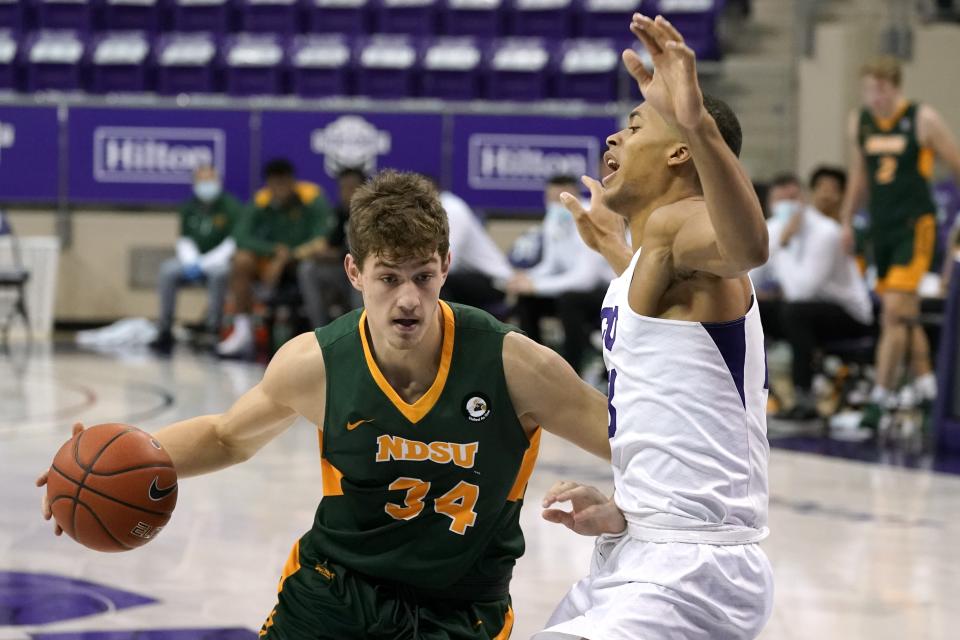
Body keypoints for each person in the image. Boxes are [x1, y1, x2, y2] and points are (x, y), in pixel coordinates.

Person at [38, 171, 610, 638]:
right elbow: (226, 437)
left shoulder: (515, 365)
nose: (408, 298)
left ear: (445, 267)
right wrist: (100, 468)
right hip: (335, 589)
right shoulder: (317, 362)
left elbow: (633, 445)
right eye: (388, 277)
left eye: (423, 276)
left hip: (460, 609)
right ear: (354, 272)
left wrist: (619, 508)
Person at [533, 14, 773, 639]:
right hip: (639, 550)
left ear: (679, 153)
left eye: (636, 125)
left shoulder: (684, 228)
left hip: (691, 570)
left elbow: (747, 246)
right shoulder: (649, 263)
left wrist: (699, 124)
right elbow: (668, 375)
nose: (615, 134)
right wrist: (625, 511)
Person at [837, 56, 960, 428]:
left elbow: (957, 163)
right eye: (868, 90)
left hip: (914, 225)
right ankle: (927, 388)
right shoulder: (859, 121)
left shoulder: (922, 118)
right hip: (882, 226)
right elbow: (859, 174)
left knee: (892, 314)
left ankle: (878, 401)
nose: (874, 96)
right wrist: (846, 219)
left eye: (880, 89)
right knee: (903, 314)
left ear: (895, 86)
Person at [765, 170, 875, 420]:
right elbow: (750, 277)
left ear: (803, 198)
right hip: (811, 310)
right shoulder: (774, 228)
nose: (786, 205)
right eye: (780, 200)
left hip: (851, 315)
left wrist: (781, 246)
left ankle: (805, 399)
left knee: (794, 313)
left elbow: (802, 291)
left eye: (792, 197)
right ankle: (763, 393)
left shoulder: (826, 232)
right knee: (752, 309)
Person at [218, 159, 334, 357]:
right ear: (268, 184)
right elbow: (240, 237)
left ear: (293, 181)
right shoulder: (261, 200)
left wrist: (287, 257)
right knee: (240, 260)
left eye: (284, 183)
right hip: (269, 265)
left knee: (312, 265)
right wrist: (273, 251)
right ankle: (243, 328)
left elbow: (323, 237)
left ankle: (324, 334)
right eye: (275, 184)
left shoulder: (312, 196)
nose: (280, 189)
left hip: (301, 262)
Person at [506, 175, 615, 373]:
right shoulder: (555, 217)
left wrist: (536, 286)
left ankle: (573, 370)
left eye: (559, 199)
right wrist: (527, 278)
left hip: (606, 290)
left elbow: (585, 280)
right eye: (551, 200)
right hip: (572, 287)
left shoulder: (589, 215)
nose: (554, 205)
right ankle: (535, 364)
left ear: (573, 195)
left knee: (568, 300)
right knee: (527, 299)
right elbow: (550, 265)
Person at [151, 165, 242, 353]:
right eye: (202, 180)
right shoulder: (188, 206)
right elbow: (184, 239)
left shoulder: (231, 206)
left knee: (220, 274)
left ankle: (213, 329)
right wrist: (191, 261)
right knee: (167, 270)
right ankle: (165, 329)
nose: (207, 185)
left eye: (211, 180)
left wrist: (204, 263)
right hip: (192, 260)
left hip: (218, 261)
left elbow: (231, 243)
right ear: (195, 183)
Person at [299, 167, 367, 328]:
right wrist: (322, 252)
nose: (347, 193)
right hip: (341, 271)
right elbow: (331, 242)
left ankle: (362, 333)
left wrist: (337, 255)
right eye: (343, 188)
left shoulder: (373, 213)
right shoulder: (339, 213)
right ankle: (320, 331)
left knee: (362, 274)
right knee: (308, 269)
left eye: (352, 188)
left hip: (364, 270)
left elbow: (371, 249)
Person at [438, 185, 515, 311]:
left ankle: (446, 328)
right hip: (466, 277)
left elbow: (447, 260)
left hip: (493, 283)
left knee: (435, 281)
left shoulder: (453, 208)